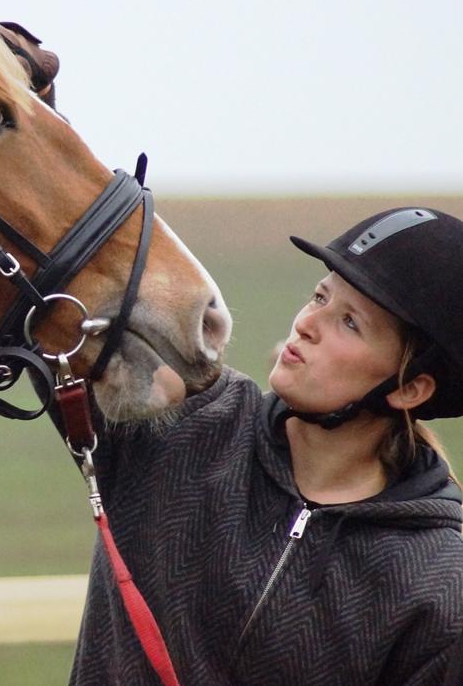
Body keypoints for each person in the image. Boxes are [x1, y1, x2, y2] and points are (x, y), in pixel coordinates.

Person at [68, 206, 463, 685]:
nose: (307, 324)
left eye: (349, 322)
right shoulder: (185, 419)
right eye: (320, 296)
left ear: (410, 390)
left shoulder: (439, 585)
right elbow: (40, 290)